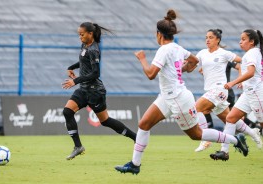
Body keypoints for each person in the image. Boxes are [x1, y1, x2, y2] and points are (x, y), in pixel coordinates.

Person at [114, 10, 248, 175]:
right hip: (166, 96)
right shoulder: (177, 47)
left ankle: (235, 140)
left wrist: (142, 58)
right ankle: (135, 164)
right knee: (144, 124)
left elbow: (150, 75)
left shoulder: (164, 50)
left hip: (177, 98)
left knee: (196, 134)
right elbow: (194, 60)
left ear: (159, 34)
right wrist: (182, 69)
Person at [61, 22, 136, 160]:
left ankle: (136, 138)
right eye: (79, 34)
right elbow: (83, 61)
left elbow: (96, 73)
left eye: (82, 34)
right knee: (67, 112)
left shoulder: (94, 50)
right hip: (83, 90)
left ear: (90, 34)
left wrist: (75, 81)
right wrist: (70, 67)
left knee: (105, 121)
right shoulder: (85, 45)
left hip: (95, 92)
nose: (80, 37)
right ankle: (78, 147)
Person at [194, 29, 262, 153]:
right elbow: (195, 63)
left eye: (210, 37)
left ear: (218, 40)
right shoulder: (203, 53)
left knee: (196, 108)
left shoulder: (224, 53)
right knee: (230, 119)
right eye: (206, 37)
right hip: (216, 90)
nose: (207, 40)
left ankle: (205, 138)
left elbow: (243, 64)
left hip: (221, 90)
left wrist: (237, 80)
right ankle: (252, 133)